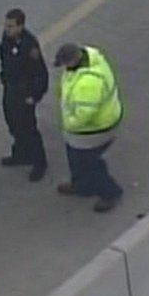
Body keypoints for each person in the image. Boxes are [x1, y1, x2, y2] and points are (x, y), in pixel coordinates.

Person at [52, 42, 124, 212]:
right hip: (86, 131)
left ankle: (110, 193)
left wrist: (67, 123)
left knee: (89, 163)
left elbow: (83, 116)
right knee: (76, 158)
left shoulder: (88, 84)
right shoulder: (90, 59)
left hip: (93, 131)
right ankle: (81, 185)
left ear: (72, 61)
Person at [0, 8, 49, 182]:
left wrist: (34, 95)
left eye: (11, 26)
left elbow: (40, 73)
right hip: (11, 89)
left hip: (25, 91)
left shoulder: (29, 45)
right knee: (12, 123)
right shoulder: (7, 40)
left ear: (20, 26)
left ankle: (39, 162)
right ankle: (20, 154)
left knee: (28, 127)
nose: (7, 29)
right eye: (6, 25)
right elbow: (4, 58)